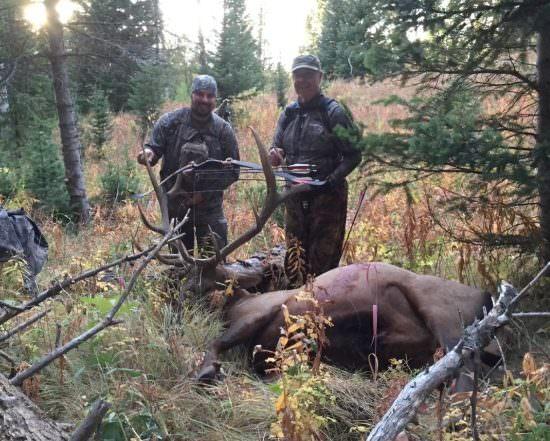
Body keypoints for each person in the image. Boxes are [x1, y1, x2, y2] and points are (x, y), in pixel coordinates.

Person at [269, 54, 361, 277]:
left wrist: (328, 182)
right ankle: (294, 307)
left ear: (319, 77)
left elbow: (354, 155)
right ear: (293, 78)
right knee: (294, 259)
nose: (303, 80)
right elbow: (275, 148)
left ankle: (321, 310)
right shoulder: (288, 114)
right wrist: (275, 154)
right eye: (298, 75)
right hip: (294, 200)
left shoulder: (333, 112)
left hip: (327, 200)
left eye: (309, 75)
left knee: (323, 265)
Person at [137, 75, 240, 252]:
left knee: (213, 266)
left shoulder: (223, 130)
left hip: (209, 210)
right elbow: (153, 151)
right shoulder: (170, 122)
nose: (205, 100)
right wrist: (147, 154)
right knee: (179, 267)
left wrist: (203, 195)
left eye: (210, 96)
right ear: (192, 95)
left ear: (215, 99)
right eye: (200, 94)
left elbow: (234, 171)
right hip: (176, 207)